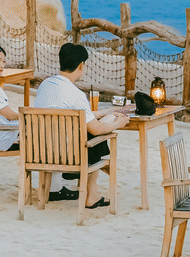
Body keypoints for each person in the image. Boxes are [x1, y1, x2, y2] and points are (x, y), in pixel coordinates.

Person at [35, 43, 130, 207]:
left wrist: (100, 113)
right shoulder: (76, 94)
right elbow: (95, 128)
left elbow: (64, 113)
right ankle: (91, 195)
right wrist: (119, 123)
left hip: (41, 150)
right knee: (97, 133)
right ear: (81, 65)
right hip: (70, 156)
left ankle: (86, 190)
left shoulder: (45, 85)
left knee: (94, 127)